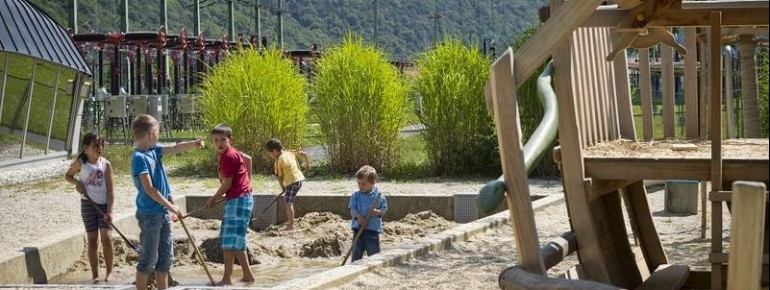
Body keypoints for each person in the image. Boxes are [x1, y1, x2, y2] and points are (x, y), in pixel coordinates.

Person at [130, 114, 203, 290]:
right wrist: (172, 207)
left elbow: (174, 148)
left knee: (165, 257)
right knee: (148, 259)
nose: (159, 136)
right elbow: (149, 190)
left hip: (162, 212)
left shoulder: (154, 150)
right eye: (158, 132)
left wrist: (193, 143)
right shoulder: (139, 157)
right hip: (150, 214)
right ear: (152, 134)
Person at [204, 124, 256, 285]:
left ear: (230, 140)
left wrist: (212, 199)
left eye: (223, 140)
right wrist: (248, 181)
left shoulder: (228, 156)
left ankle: (227, 278)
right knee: (236, 240)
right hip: (240, 199)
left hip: (238, 201)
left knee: (228, 241)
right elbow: (248, 159)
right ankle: (247, 275)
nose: (219, 143)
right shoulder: (231, 153)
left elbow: (227, 183)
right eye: (215, 140)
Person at [64, 132, 115, 283]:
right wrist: (77, 184)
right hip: (88, 205)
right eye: (96, 145)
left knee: (107, 238)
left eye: (101, 144)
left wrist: (110, 210)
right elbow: (68, 176)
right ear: (86, 148)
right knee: (92, 240)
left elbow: (111, 190)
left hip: (104, 205)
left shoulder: (106, 164)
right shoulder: (80, 163)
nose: (99, 148)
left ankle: (109, 273)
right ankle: (95, 275)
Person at [265, 138, 308, 231]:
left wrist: (283, 188)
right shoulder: (289, 153)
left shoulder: (278, 161)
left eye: (270, 153)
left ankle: (291, 225)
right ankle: (291, 221)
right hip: (299, 180)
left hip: (292, 182)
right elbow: (304, 154)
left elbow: (280, 177)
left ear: (275, 151)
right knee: (289, 200)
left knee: (288, 203)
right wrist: (307, 165)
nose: (270, 155)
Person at [348, 165, 388, 261]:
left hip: (372, 231)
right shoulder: (356, 195)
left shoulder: (379, 196)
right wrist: (359, 218)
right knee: (356, 257)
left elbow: (384, 209)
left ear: (373, 182)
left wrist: (377, 212)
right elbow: (352, 209)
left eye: (363, 184)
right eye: (359, 183)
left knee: (375, 257)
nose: (360, 186)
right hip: (358, 230)